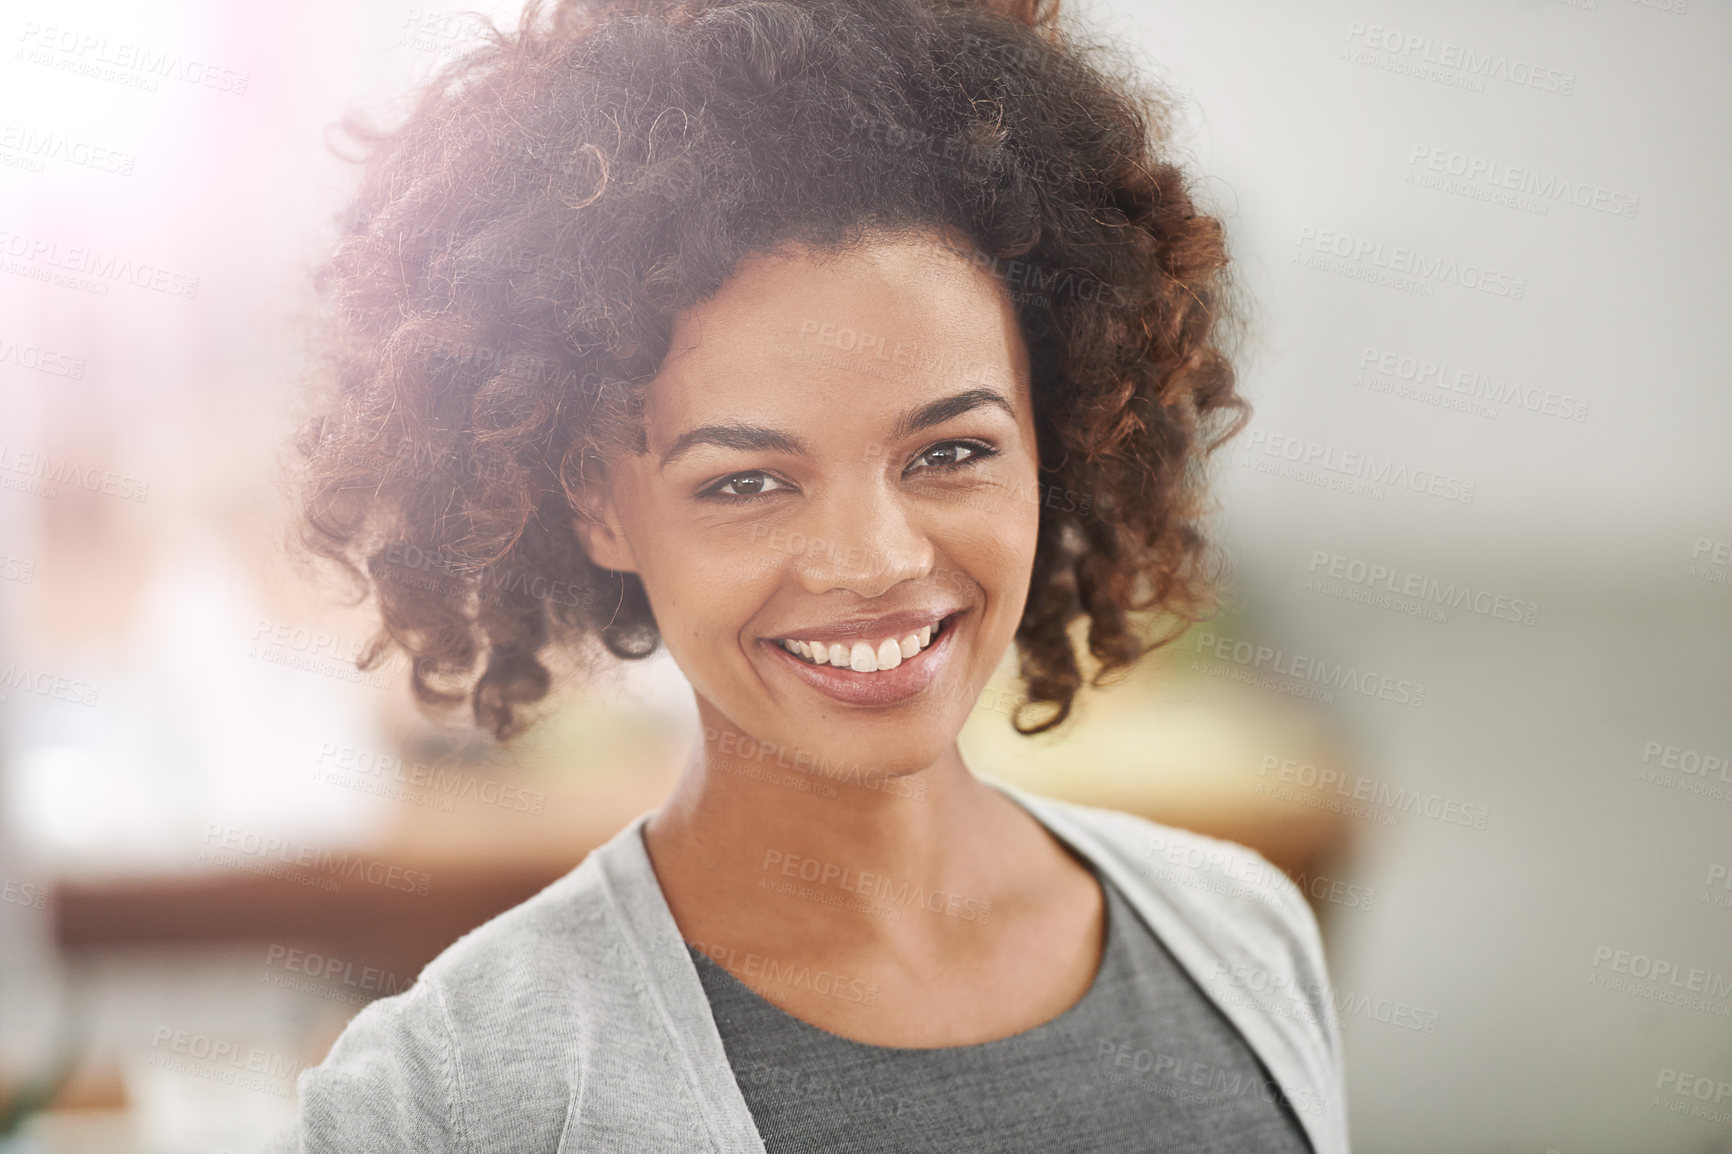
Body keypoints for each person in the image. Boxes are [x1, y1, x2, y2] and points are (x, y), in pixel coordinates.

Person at [274, 0, 1349, 1148]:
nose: (877, 559)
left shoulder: (1243, 938)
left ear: (1058, 432)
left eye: (950, 452)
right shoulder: (457, 1092)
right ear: (594, 500)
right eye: (747, 480)